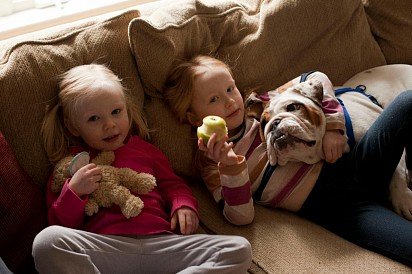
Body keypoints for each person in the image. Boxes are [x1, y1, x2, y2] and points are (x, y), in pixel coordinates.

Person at [163, 55, 412, 266]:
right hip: (336, 207)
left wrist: (334, 128)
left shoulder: (260, 105)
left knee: (405, 102)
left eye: (230, 89)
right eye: (213, 100)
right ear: (195, 118)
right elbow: (240, 216)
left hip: (354, 161)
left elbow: (315, 78)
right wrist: (230, 165)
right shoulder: (210, 163)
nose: (229, 101)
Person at [32, 64, 252, 274]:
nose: (110, 124)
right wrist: (74, 191)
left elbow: (174, 186)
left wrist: (183, 206)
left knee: (239, 249)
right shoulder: (71, 166)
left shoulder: (146, 150)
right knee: (46, 242)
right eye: (94, 118)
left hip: (162, 246)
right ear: (73, 126)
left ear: (127, 109)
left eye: (116, 112)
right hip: (108, 251)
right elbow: (59, 222)